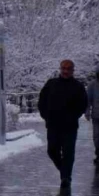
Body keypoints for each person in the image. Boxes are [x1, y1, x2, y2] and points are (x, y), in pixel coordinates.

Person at [38, 59, 89, 188]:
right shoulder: (51, 84)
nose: (66, 71)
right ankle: (63, 170)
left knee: (68, 152)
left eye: (68, 68)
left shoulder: (78, 86)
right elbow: (42, 101)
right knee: (52, 151)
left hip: (70, 126)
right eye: (63, 68)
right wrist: (45, 116)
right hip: (53, 125)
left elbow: (83, 105)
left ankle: (66, 177)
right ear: (60, 69)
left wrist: (73, 117)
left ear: (73, 71)